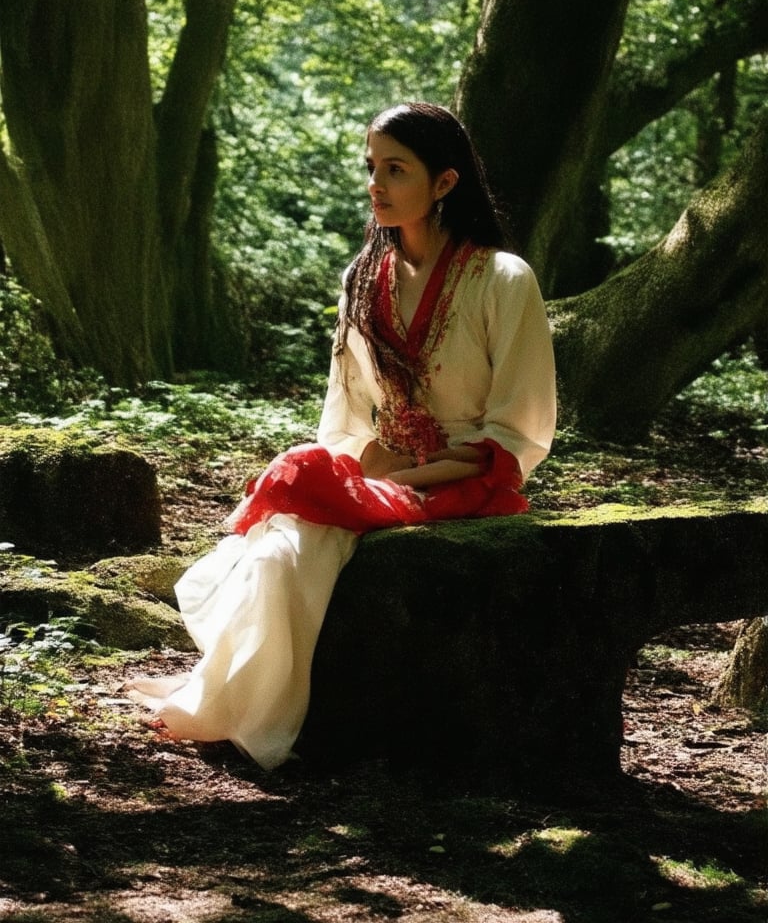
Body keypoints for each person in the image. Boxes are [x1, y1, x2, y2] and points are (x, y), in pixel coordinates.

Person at [126, 102, 556, 767]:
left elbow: (516, 434)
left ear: (445, 183)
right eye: (370, 168)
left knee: (300, 495)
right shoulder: (363, 280)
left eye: (395, 169)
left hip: (467, 484)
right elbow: (346, 418)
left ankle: (256, 720)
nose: (375, 185)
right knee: (275, 547)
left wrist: (391, 479)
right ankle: (243, 711)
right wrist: (360, 470)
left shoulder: (502, 279)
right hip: (379, 474)